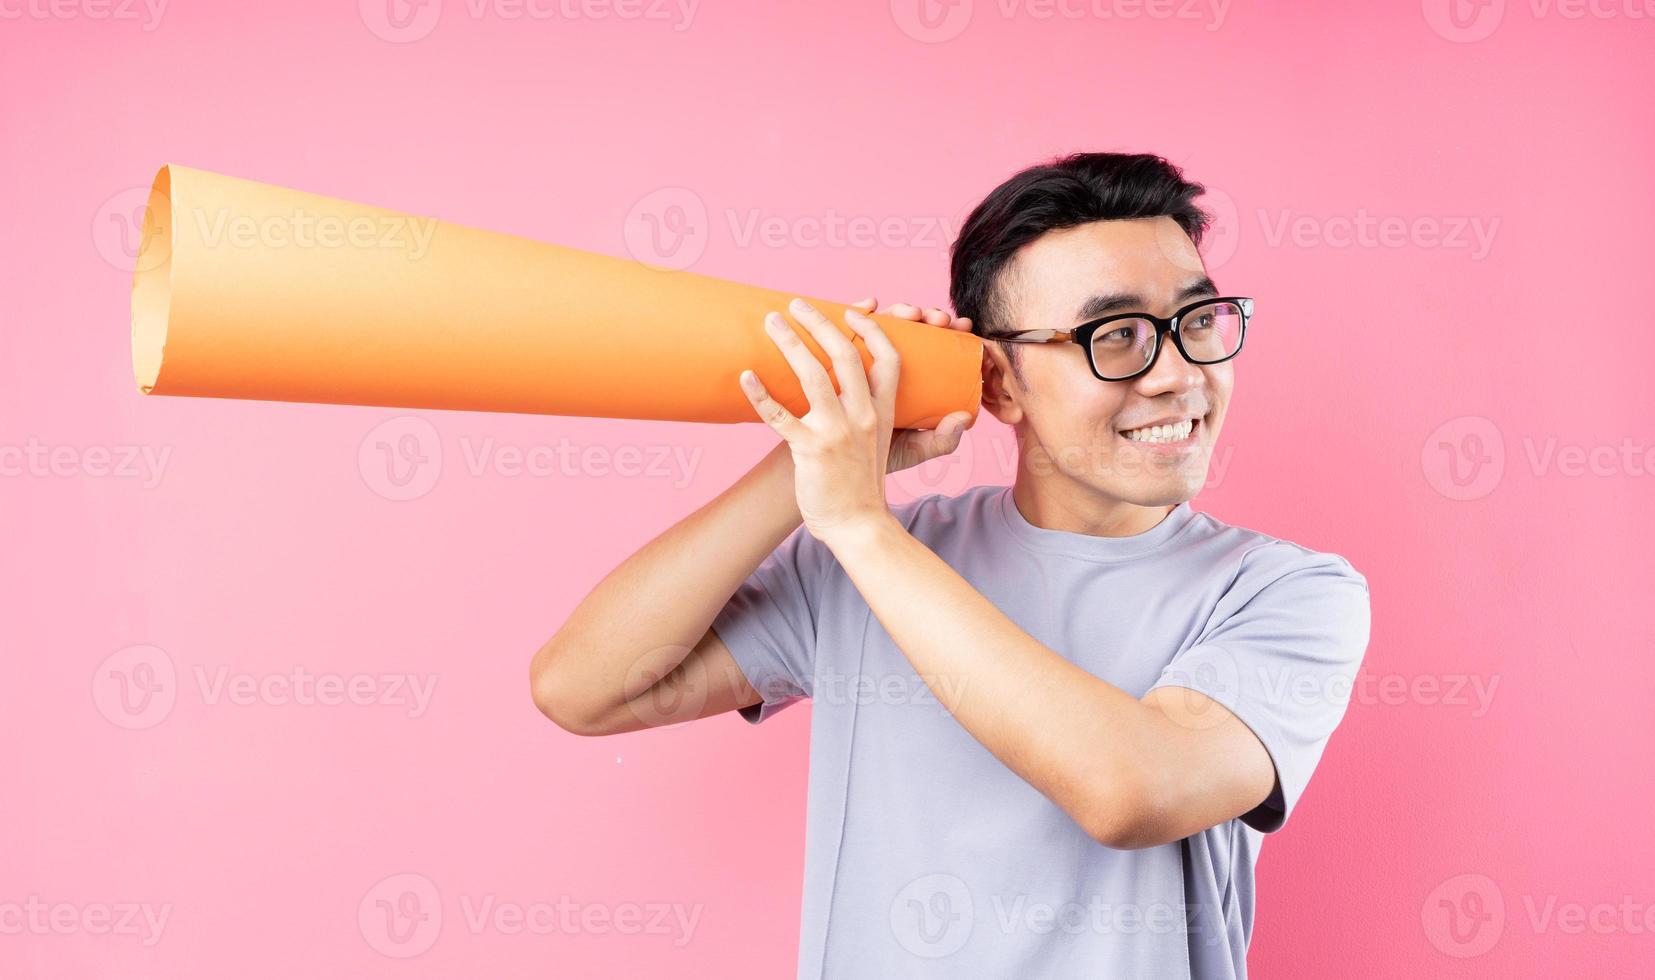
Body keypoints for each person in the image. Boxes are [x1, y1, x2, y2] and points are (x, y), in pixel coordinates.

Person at [529, 151, 1371, 979]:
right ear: (1000, 386)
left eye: (1195, 321)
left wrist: (861, 524)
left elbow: (1131, 791)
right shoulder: (868, 558)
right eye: (1115, 336)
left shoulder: (1285, 592)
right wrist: (813, 459)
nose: (1178, 374)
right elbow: (585, 689)